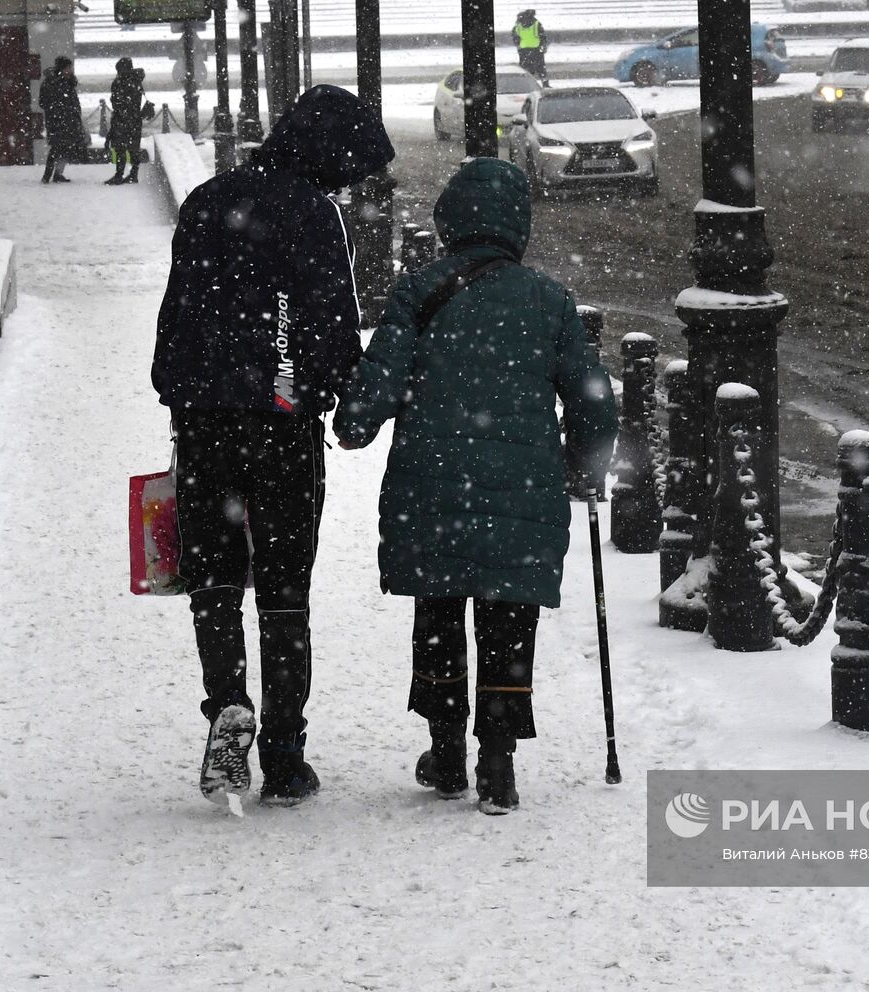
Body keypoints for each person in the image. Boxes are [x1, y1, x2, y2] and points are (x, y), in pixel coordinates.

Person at [333, 158, 617, 815]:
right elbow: (594, 400)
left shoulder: (418, 290)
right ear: (518, 223)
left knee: (439, 616)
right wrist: (585, 467)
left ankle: (446, 753)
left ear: (449, 220)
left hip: (431, 491)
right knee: (507, 616)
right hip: (520, 490)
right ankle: (499, 760)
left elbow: (375, 385)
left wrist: (353, 423)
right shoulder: (549, 300)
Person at [153, 85, 395, 807]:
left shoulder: (208, 201)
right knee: (286, 591)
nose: (350, 182)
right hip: (283, 421)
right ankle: (286, 755)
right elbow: (328, 326)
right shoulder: (313, 214)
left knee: (217, 579)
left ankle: (228, 702)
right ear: (328, 153)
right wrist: (331, 394)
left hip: (205, 420)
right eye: (350, 166)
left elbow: (178, 315)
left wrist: (186, 389)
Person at [40, 57, 87, 184]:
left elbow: (72, 102)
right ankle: (47, 176)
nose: (70, 70)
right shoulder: (51, 82)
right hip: (57, 122)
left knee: (66, 148)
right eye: (68, 68)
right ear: (61, 68)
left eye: (70, 68)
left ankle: (58, 174)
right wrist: (59, 110)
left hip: (69, 121)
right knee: (56, 149)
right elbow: (43, 102)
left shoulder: (68, 82)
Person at [106, 58, 146, 184]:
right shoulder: (136, 80)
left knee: (120, 148)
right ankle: (133, 174)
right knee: (133, 148)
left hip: (121, 120)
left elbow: (117, 102)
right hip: (135, 120)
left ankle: (119, 174)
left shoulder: (120, 82)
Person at [511, 9, 550, 85]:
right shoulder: (536, 23)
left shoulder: (518, 25)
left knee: (526, 69)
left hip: (523, 50)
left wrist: (518, 45)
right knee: (541, 67)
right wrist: (543, 45)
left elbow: (515, 36)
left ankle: (526, 84)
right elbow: (542, 36)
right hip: (537, 49)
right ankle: (545, 83)